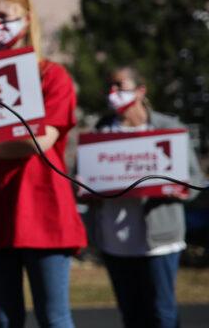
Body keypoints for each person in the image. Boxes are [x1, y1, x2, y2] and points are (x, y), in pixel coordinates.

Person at [0, 0, 87, 328]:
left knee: (53, 317)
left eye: (5, 17)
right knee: (3, 319)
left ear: (27, 20)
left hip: (43, 209)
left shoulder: (52, 75)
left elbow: (39, 141)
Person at [85, 66, 205, 328]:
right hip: (115, 242)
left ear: (141, 91)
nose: (113, 93)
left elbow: (195, 181)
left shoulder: (168, 129)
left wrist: (178, 188)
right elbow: (81, 182)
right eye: (110, 87)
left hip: (159, 242)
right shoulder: (101, 132)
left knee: (163, 315)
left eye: (120, 86)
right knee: (132, 316)